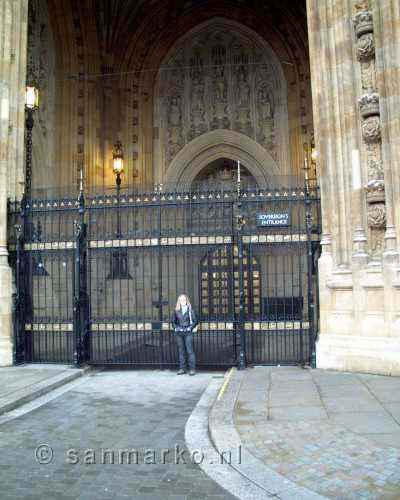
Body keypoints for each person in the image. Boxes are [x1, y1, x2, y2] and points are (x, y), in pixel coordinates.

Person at [171, 294, 198, 375]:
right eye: (181, 300)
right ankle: (182, 368)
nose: (182, 301)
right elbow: (173, 322)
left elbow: (195, 321)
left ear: (187, 301)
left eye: (184, 299)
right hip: (179, 333)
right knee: (181, 351)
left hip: (188, 332)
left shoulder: (191, 310)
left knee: (190, 351)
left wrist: (190, 327)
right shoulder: (176, 311)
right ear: (179, 301)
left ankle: (192, 369)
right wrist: (176, 328)